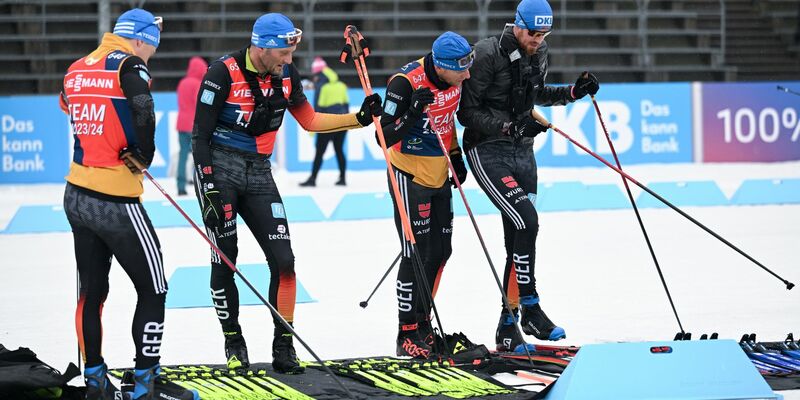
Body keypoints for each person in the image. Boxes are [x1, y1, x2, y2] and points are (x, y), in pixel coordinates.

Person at [192, 13, 382, 374]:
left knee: (284, 262)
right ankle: (234, 341)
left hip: (260, 170)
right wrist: (209, 185)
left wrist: (356, 119)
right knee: (226, 258)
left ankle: (284, 344)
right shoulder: (222, 72)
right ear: (262, 47)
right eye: (284, 51)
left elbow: (309, 120)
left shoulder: (287, 75)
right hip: (221, 168)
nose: (290, 59)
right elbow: (199, 136)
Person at [59, 9, 197, 400]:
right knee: (154, 288)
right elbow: (144, 107)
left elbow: (67, 105)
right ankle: (144, 384)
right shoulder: (129, 63)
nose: (151, 53)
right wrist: (144, 152)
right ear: (140, 39)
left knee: (91, 293)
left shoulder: (75, 67)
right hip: (116, 198)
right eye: (152, 45)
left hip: (76, 193)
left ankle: (95, 382)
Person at [457, 0, 599, 353]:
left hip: (523, 153)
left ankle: (508, 325)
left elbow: (534, 95)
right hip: (487, 149)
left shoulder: (540, 51)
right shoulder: (487, 53)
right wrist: (506, 125)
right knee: (528, 219)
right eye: (533, 33)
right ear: (517, 25)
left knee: (519, 235)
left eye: (544, 33)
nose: (538, 40)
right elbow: (466, 112)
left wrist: (572, 93)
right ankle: (531, 307)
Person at [379, 32, 472, 358]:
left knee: (441, 251)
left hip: (439, 174)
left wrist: (457, 156)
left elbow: (447, 124)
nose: (467, 74)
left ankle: (423, 322)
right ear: (443, 66)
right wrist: (412, 113)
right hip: (409, 175)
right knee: (414, 252)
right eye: (461, 68)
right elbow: (383, 136)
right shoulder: (404, 83)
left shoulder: (455, 81)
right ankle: (405, 332)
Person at [299, 57, 350, 187]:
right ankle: (343, 178)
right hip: (342, 122)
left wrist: (313, 126)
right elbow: (346, 105)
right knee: (339, 149)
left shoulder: (322, 86)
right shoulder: (342, 85)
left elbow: (318, 107)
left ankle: (313, 179)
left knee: (320, 152)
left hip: (327, 122)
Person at [176, 56, 208, 195]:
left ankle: (180, 185)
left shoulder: (183, 83)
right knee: (199, 155)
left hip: (182, 123)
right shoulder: (198, 84)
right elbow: (200, 105)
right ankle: (198, 182)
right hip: (194, 124)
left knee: (183, 155)